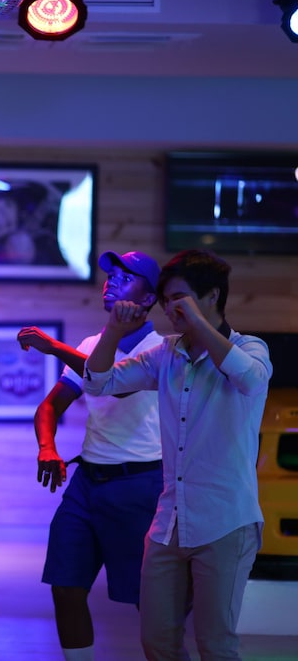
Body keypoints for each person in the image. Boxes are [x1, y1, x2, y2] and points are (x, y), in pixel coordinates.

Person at [83, 249, 272, 661]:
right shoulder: (166, 353)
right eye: (167, 300)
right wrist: (112, 332)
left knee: (216, 646)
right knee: (157, 643)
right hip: (168, 523)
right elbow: (98, 384)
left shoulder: (250, 348)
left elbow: (250, 379)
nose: (170, 309)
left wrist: (199, 326)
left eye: (180, 298)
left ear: (212, 296)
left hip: (226, 523)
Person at [17, 251, 165, 661]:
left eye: (126, 276)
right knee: (65, 586)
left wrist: (54, 347)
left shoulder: (161, 349)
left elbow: (116, 382)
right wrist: (47, 447)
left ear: (148, 298)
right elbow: (49, 407)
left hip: (141, 484)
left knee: (148, 599)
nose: (112, 280)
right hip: (87, 483)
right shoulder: (90, 345)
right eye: (110, 274)